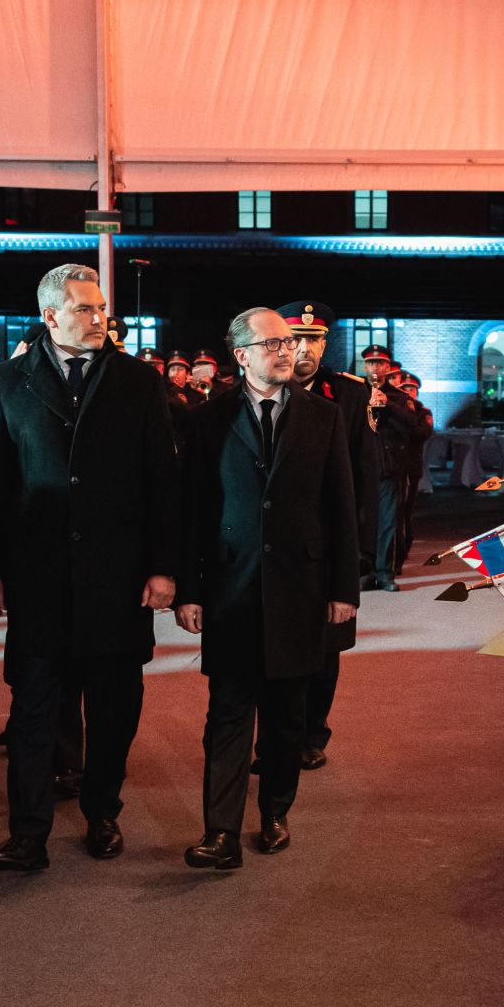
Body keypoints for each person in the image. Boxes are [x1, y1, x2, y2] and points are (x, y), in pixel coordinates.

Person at [0, 263, 181, 872]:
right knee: (33, 709)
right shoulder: (10, 381)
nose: (99, 319)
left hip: (117, 580)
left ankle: (102, 811)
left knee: (115, 709)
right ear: (50, 317)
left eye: (101, 308)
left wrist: (164, 568)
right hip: (38, 579)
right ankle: (28, 832)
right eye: (86, 309)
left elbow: (162, 484)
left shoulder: (138, 381)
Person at [174, 307, 359, 869]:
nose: (289, 350)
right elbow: (193, 510)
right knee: (227, 712)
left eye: (292, 341)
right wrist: (188, 589)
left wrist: (344, 588)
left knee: (286, 715)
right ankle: (221, 831)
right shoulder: (208, 419)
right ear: (242, 355)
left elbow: (341, 507)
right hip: (231, 586)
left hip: (302, 586)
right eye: (275, 342)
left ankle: (275, 810)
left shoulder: (322, 416)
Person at [277, 299, 376, 771]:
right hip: (276, 544)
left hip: (330, 542)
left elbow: (362, 477)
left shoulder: (350, 395)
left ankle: (312, 734)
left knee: (325, 647)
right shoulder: (259, 390)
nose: (306, 349)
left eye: (315, 340)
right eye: (297, 339)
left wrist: (359, 553)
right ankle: (277, 737)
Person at [360, 343, 422, 591]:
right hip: (361, 466)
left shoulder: (400, 398)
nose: (375, 367)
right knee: (362, 522)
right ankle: (365, 570)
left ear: (388, 367)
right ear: (365, 366)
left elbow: (414, 429)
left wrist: (388, 405)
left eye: (380, 363)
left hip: (389, 468)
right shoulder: (355, 392)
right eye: (371, 363)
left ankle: (385, 572)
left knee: (388, 522)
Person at [393, 371, 433, 575]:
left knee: (406, 512)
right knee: (396, 513)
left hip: (411, 467)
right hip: (394, 466)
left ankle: (404, 550)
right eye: (405, 389)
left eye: (412, 389)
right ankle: (396, 554)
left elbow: (421, 433)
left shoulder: (422, 411)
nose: (409, 392)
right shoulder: (398, 408)